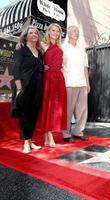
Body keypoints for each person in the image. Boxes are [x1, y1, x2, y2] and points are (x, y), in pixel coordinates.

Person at [12, 25, 44, 153]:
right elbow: (16, 68)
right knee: (24, 114)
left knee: (33, 113)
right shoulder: (21, 49)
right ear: (26, 35)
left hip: (38, 88)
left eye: (36, 33)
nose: (34, 35)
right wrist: (19, 88)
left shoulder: (40, 52)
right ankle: (26, 142)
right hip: (24, 86)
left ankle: (30, 141)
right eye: (31, 33)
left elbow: (40, 68)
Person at [62, 25, 90, 142]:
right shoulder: (63, 47)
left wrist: (87, 83)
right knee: (68, 110)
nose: (77, 33)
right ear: (68, 33)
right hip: (68, 83)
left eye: (78, 31)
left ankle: (78, 131)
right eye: (74, 31)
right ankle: (66, 133)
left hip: (82, 83)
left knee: (82, 110)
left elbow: (85, 67)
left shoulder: (81, 49)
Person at [40, 23, 67, 147]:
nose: (56, 33)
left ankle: (47, 135)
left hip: (59, 79)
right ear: (49, 31)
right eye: (53, 30)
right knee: (48, 106)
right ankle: (49, 135)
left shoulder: (61, 49)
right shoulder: (42, 45)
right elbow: (31, 54)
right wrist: (42, 66)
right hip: (48, 78)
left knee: (55, 108)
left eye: (58, 31)